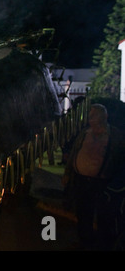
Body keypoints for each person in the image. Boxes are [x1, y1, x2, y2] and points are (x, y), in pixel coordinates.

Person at [63, 104, 125, 250]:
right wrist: (68, 174)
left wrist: (115, 185)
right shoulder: (85, 133)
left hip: (102, 184)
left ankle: (103, 246)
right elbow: (74, 154)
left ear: (104, 117)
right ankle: (86, 243)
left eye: (93, 116)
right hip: (82, 182)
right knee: (83, 215)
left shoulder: (116, 136)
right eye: (89, 116)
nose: (89, 119)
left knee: (104, 218)